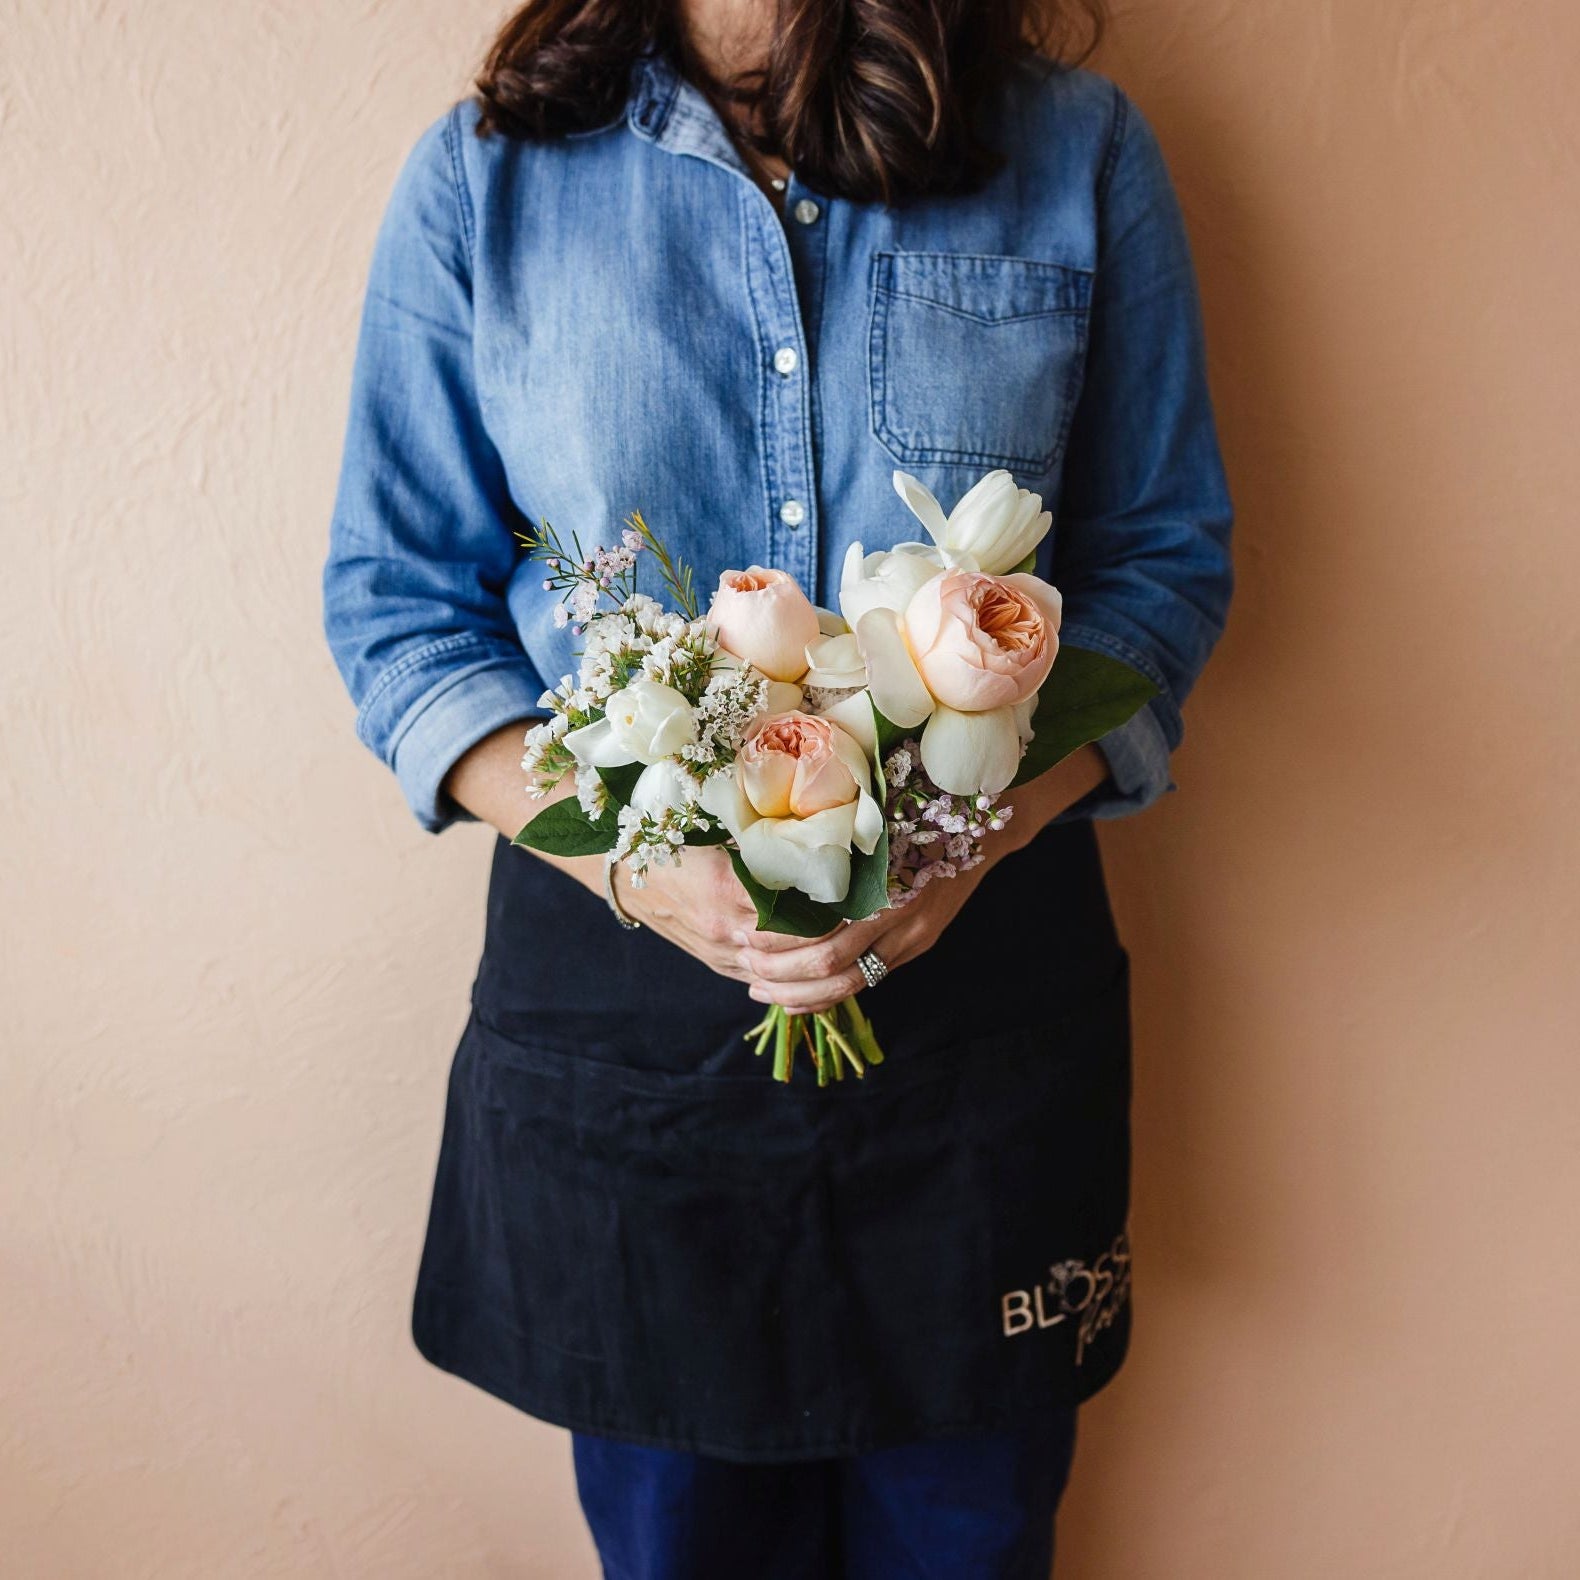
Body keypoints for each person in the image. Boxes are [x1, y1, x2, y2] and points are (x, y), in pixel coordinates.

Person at [321, 0, 1233, 1572]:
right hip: (628, 1055)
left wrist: (968, 838)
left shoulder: (1075, 153)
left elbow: (1161, 566)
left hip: (981, 1037)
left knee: (976, 1544)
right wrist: (627, 859)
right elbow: (399, 605)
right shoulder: (488, 181)